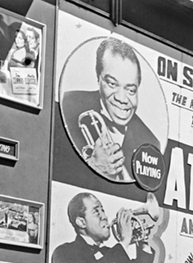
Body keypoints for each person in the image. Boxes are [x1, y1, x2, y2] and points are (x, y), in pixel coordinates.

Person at [61, 37, 160, 181]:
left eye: (131, 90)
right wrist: (92, 165)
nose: (122, 98)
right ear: (98, 78)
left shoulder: (150, 143)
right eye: (112, 84)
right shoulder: (68, 104)